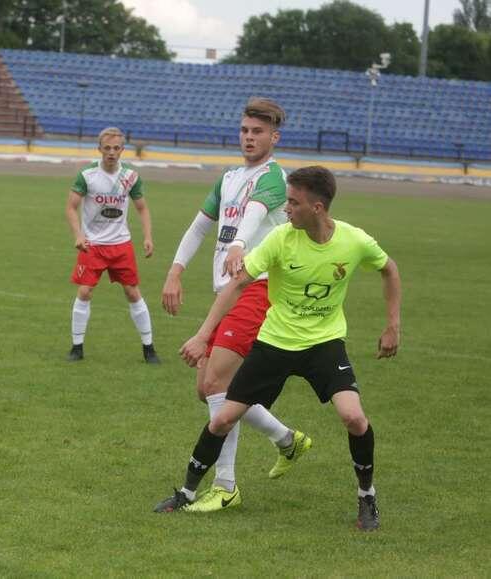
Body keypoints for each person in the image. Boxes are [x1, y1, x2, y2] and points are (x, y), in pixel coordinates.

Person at [155, 166, 401, 532]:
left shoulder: (353, 240)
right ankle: (186, 494)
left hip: (324, 344)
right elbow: (238, 284)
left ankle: (367, 497)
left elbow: (389, 269)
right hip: (275, 342)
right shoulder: (280, 239)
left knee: (354, 418)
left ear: (317, 208)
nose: (286, 209)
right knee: (221, 418)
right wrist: (203, 335)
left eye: (293, 202)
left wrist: (393, 325)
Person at [159, 97, 311, 513]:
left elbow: (253, 215)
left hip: (257, 290)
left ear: (274, 137)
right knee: (208, 390)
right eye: (244, 130)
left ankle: (225, 486)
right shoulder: (228, 178)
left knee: (216, 387)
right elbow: (199, 227)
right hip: (227, 291)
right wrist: (175, 270)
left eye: (257, 132)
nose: (249, 137)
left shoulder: (274, 178)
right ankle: (287, 439)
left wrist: (240, 244)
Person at [65, 127, 160, 363]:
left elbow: (142, 208)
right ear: (99, 149)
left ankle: (149, 349)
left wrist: (148, 237)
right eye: (107, 148)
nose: (111, 152)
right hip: (93, 245)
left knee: (132, 292)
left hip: (120, 244)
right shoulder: (87, 175)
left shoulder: (130, 176)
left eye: (116, 148)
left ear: (122, 150)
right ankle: (77, 347)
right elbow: (71, 207)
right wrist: (78, 235)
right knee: (85, 291)